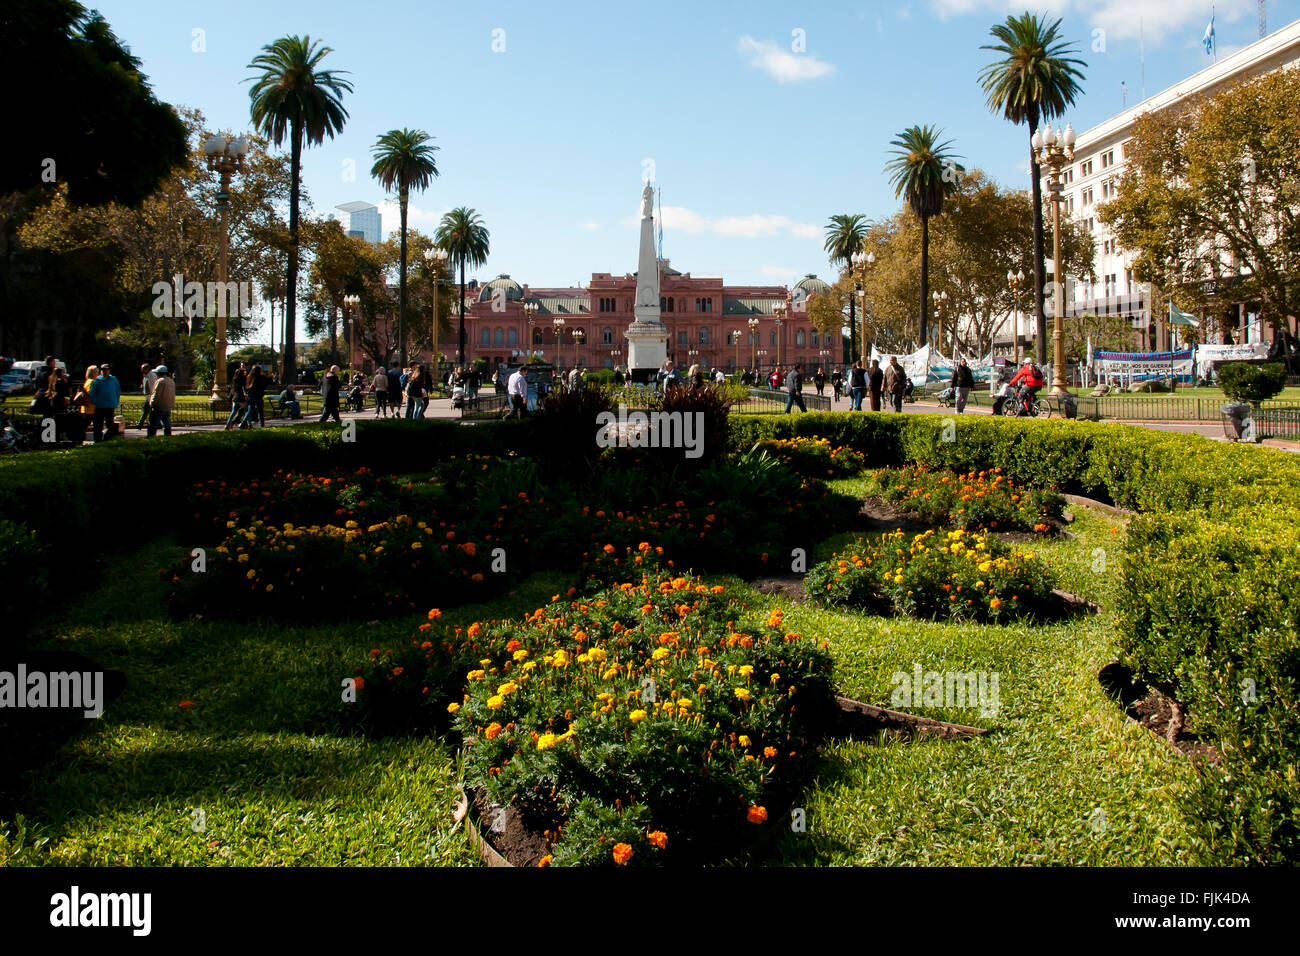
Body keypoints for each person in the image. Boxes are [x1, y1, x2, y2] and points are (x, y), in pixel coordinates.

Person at [88, 362, 122, 441]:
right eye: (103, 370)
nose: (105, 371)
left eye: (106, 370)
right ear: (101, 371)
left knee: (110, 425)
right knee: (98, 426)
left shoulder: (114, 380)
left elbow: (118, 391)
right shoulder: (97, 380)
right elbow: (92, 393)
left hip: (110, 406)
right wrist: (95, 402)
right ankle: (97, 441)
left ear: (109, 370)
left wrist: (116, 401)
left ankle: (106, 440)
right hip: (99, 406)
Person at [147, 366, 176, 436]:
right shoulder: (171, 381)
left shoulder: (160, 381)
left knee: (153, 425)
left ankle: (151, 437)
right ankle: (168, 436)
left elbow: (156, 394)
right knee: (167, 424)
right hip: (168, 406)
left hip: (159, 406)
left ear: (159, 373)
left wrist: (151, 403)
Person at [225, 363, 248, 430]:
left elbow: (233, 389)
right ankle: (247, 424)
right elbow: (244, 389)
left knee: (233, 412)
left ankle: (228, 424)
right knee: (246, 411)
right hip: (241, 398)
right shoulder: (243, 380)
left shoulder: (234, 380)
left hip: (235, 397)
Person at [135, 363, 157, 429]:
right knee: (152, 411)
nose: (142, 370)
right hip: (149, 395)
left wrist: (151, 395)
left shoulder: (151, 375)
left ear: (147, 369)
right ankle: (158, 424)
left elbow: (152, 385)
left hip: (150, 396)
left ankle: (140, 424)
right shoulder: (147, 375)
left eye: (143, 369)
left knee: (145, 410)